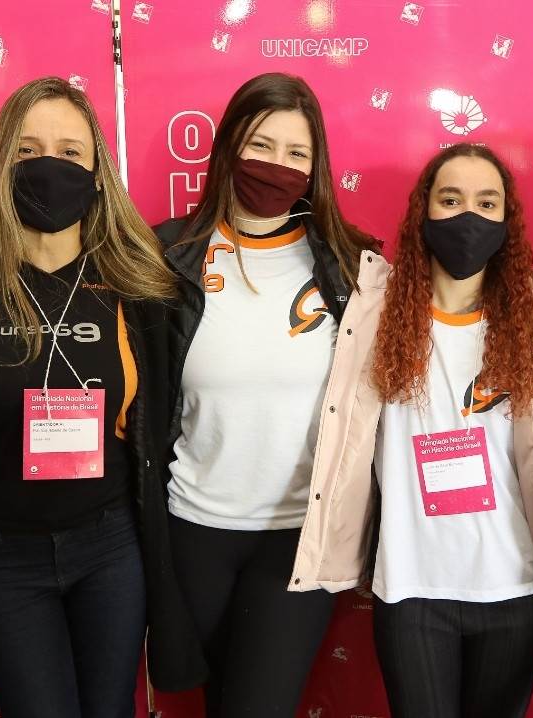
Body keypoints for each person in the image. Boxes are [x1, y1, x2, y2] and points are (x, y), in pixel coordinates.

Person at [0, 76, 204, 717]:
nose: (48, 166)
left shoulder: (138, 281)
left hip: (111, 550)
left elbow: (164, 425)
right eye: (27, 151)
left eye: (70, 152)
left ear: (98, 172)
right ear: (1, 164)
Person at [289, 142, 533, 718]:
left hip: (516, 586)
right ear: (423, 212)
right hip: (411, 588)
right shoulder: (374, 310)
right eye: (450, 200)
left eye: (487, 203)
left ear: (507, 221)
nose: (468, 218)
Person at [151, 72, 376, 717]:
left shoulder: (353, 264)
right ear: (227, 148)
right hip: (192, 528)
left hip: (299, 537)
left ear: (316, 165)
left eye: (296, 152)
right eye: (260, 145)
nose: (277, 165)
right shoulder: (166, 255)